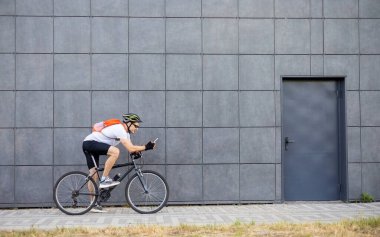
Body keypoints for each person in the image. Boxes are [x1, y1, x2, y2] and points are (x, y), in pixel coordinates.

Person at [82, 113, 155, 212]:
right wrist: (146, 147)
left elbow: (131, 149)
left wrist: (139, 151)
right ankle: (104, 179)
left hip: (92, 145)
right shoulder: (120, 128)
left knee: (93, 174)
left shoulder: (126, 134)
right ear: (129, 123)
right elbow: (130, 147)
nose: (137, 129)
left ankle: (92, 205)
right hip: (89, 143)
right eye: (136, 126)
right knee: (115, 151)